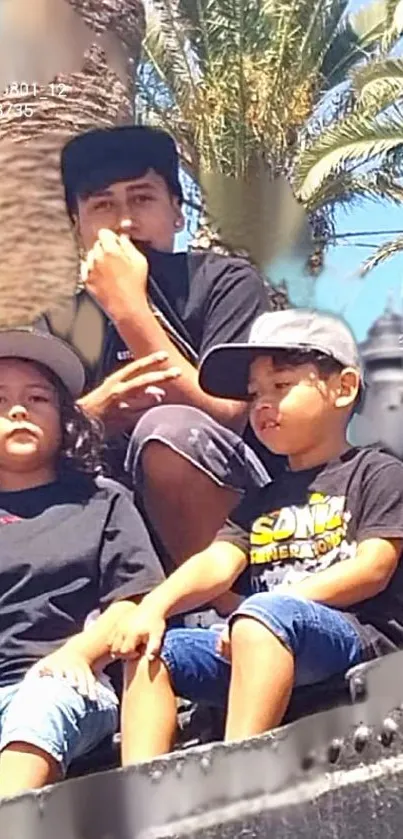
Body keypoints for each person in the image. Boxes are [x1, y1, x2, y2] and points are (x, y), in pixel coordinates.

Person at [103, 308, 403, 764]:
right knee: (155, 649)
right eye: (255, 393)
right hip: (258, 636)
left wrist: (268, 610)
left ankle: (237, 770)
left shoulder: (376, 472)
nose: (263, 403)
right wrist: (155, 608)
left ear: (343, 388)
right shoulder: (261, 500)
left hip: (354, 638)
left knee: (265, 613)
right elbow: (218, 562)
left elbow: (373, 568)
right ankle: (142, 792)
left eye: (281, 387)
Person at [58, 125, 287, 592]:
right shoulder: (57, 324)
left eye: (142, 199)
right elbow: (30, 442)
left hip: (234, 515)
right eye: (102, 205)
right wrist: (94, 414)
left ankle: (226, 612)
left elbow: (231, 415)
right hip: (111, 519)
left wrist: (128, 309)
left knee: (168, 429)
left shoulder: (224, 281)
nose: (124, 222)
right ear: (77, 225)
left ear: (178, 213)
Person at [0, 323, 166, 797]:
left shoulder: (101, 502)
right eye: (0, 400)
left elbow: (131, 605)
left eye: (37, 399)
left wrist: (76, 654)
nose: (18, 410)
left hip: (66, 682)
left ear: (65, 419)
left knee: (40, 704)